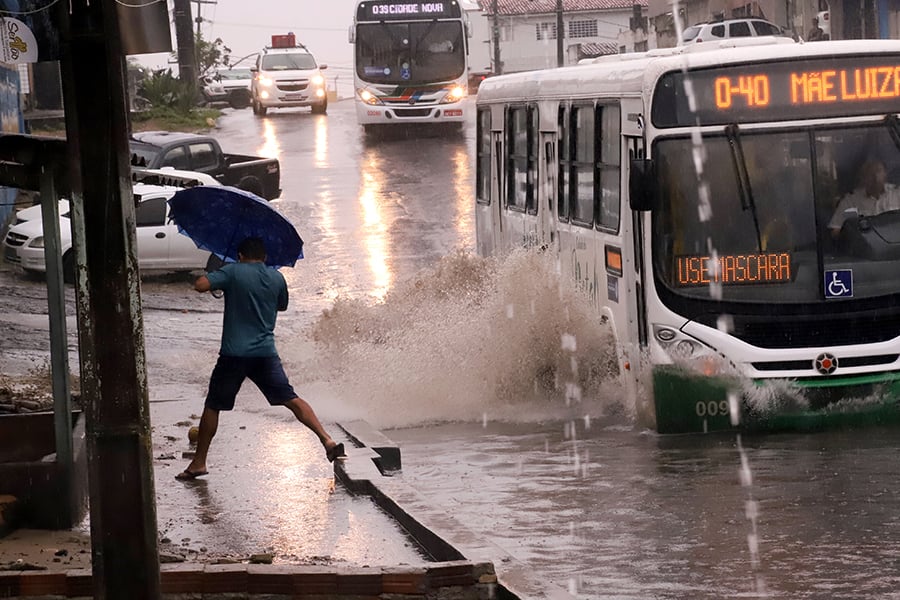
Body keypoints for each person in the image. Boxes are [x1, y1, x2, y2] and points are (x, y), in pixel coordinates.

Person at [176, 236, 345, 480]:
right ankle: (326, 439)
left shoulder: (232, 271)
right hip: (265, 354)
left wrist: (218, 273)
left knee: (213, 405)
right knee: (290, 398)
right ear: (264, 257)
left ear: (240, 255)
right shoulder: (277, 277)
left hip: (234, 355)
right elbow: (281, 305)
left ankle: (199, 462)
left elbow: (200, 285)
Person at [828, 158, 900, 238]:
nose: (875, 176)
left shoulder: (897, 194)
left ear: (885, 174)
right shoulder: (850, 201)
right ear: (863, 177)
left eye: (878, 171)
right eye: (870, 172)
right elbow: (836, 231)